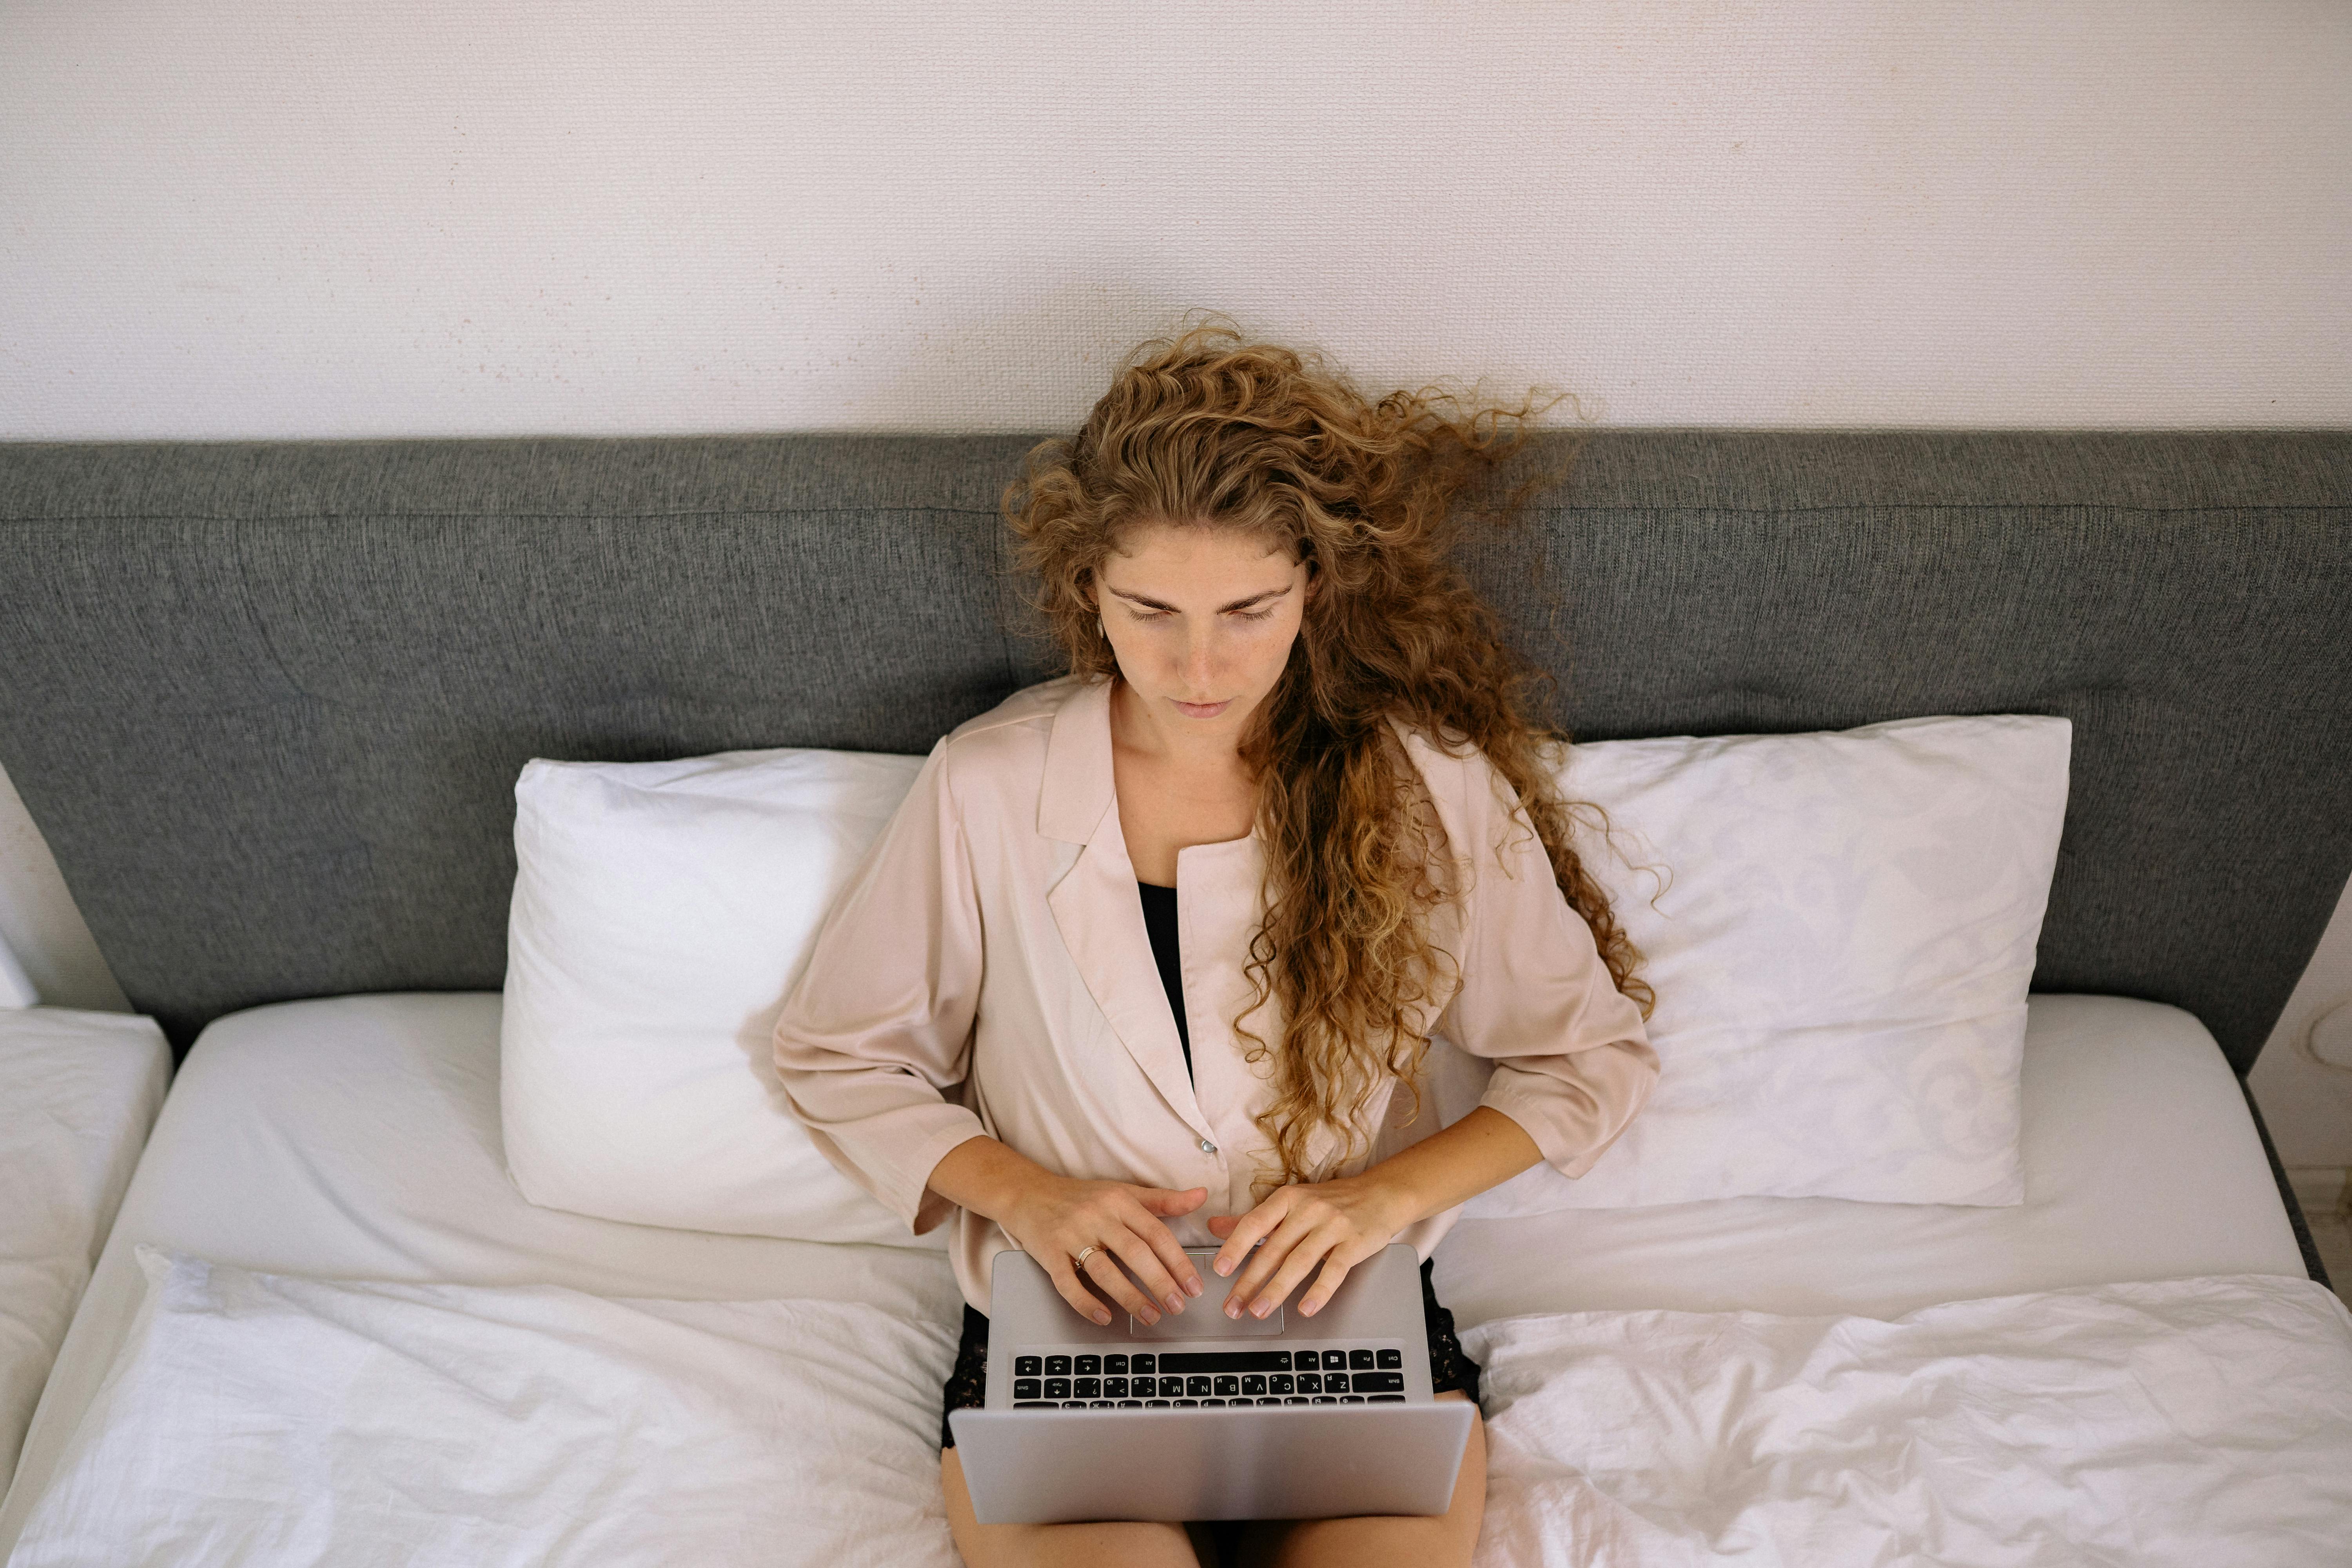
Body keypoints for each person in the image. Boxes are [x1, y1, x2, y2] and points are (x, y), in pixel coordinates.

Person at [772, 319, 1658, 1568]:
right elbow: (837, 1055)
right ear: (1088, 590)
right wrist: (1029, 1197)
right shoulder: (987, 784)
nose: (1199, 666)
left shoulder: (1428, 787)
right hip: (1074, 1324)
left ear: (1318, 585)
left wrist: (1383, 1199)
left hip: (1345, 1317)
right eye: (1151, 611)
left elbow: (1592, 1061)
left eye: (1250, 610)